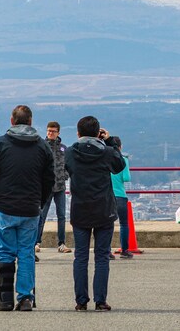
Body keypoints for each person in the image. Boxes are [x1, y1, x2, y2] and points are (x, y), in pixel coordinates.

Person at [0, 105, 55, 312]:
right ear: (30, 122)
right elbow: (49, 179)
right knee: (26, 252)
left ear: (12, 121)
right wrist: (39, 201)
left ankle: (4, 297)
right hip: (31, 207)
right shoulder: (42, 147)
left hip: (4, 205)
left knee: (5, 251)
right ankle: (25, 298)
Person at [65, 116, 126, 311]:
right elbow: (119, 166)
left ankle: (81, 301)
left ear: (78, 133)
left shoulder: (71, 153)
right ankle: (100, 301)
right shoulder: (107, 152)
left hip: (80, 209)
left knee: (80, 257)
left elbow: (65, 170)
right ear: (98, 132)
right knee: (101, 257)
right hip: (103, 210)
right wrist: (109, 141)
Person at [36, 121, 71, 254]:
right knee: (42, 215)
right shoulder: (42, 146)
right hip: (46, 187)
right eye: (49, 131)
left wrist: (64, 175)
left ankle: (61, 243)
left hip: (60, 186)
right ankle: (37, 242)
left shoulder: (63, 148)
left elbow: (68, 165)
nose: (50, 133)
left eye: (53, 131)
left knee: (61, 215)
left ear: (58, 133)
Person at [110, 137, 134, 259]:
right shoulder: (123, 160)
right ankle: (124, 250)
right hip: (120, 195)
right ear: (120, 147)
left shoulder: (105, 159)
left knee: (107, 225)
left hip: (107, 196)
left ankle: (107, 251)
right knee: (124, 224)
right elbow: (127, 178)